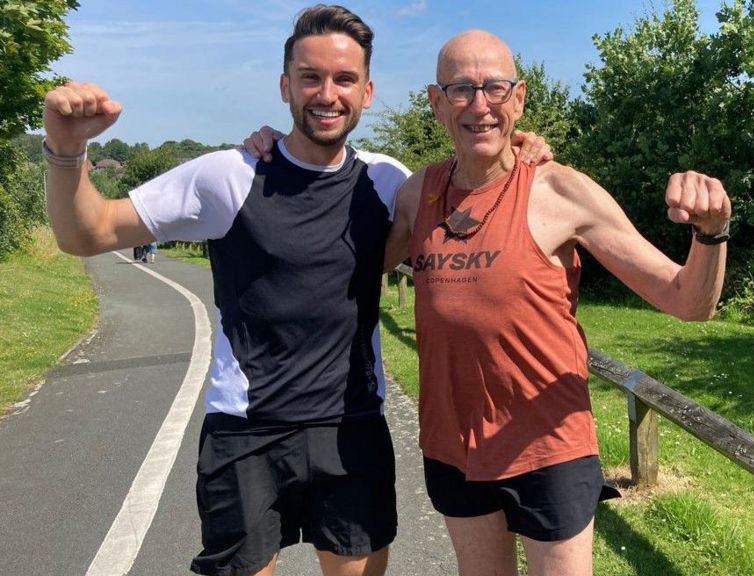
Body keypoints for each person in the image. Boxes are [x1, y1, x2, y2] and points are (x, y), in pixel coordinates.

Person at [42, 6, 548, 576]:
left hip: (352, 428)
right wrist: (66, 149)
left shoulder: (388, 182)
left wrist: (519, 152)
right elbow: (87, 232)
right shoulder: (228, 175)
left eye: (344, 79)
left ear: (368, 92)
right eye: (310, 77)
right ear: (285, 86)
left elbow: (479, 194)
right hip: (247, 431)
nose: (326, 94)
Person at [247, 27, 731, 576]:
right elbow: (347, 265)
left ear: (518, 98)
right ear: (436, 103)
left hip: (549, 449)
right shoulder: (417, 194)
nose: (480, 105)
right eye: (460, 89)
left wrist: (711, 233)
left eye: (495, 88)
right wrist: (280, 155)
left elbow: (688, 301)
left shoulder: (562, 192)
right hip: (454, 449)